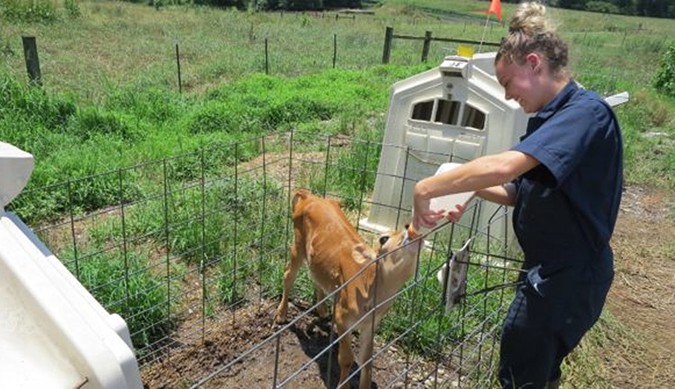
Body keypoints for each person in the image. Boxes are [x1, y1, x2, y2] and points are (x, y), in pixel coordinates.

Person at [412, 2, 623, 389]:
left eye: (507, 82)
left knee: (520, 372)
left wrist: (426, 188)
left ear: (534, 63)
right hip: (550, 271)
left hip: (568, 277)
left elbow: (508, 166)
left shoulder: (585, 114)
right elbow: (518, 191)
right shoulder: (553, 116)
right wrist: (469, 186)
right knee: (535, 370)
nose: (508, 96)